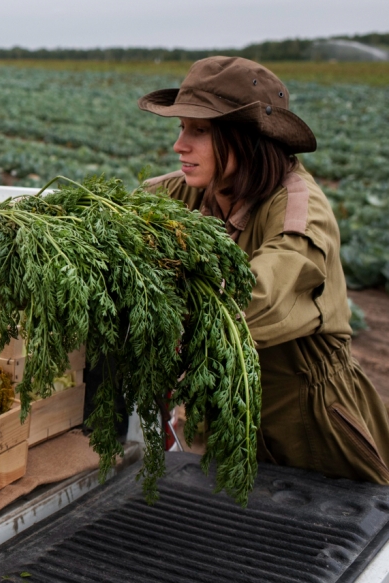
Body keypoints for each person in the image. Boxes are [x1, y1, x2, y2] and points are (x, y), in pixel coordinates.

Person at [140, 56, 389, 484]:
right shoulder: (188, 191)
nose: (180, 145)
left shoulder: (299, 210)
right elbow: (118, 226)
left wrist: (150, 309)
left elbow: (257, 297)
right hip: (222, 412)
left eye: (198, 130)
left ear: (245, 138)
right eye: (181, 127)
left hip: (308, 426)